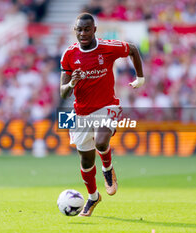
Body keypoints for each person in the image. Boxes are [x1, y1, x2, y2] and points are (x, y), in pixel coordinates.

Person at [60, 13, 144, 217]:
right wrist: (72, 83)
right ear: (75, 31)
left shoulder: (107, 48)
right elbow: (63, 92)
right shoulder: (69, 55)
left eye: (87, 29)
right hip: (80, 113)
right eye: (79, 30)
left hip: (107, 106)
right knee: (86, 162)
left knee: (101, 141)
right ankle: (93, 197)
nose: (83, 33)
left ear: (95, 29)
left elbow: (132, 48)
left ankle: (108, 169)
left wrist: (140, 77)